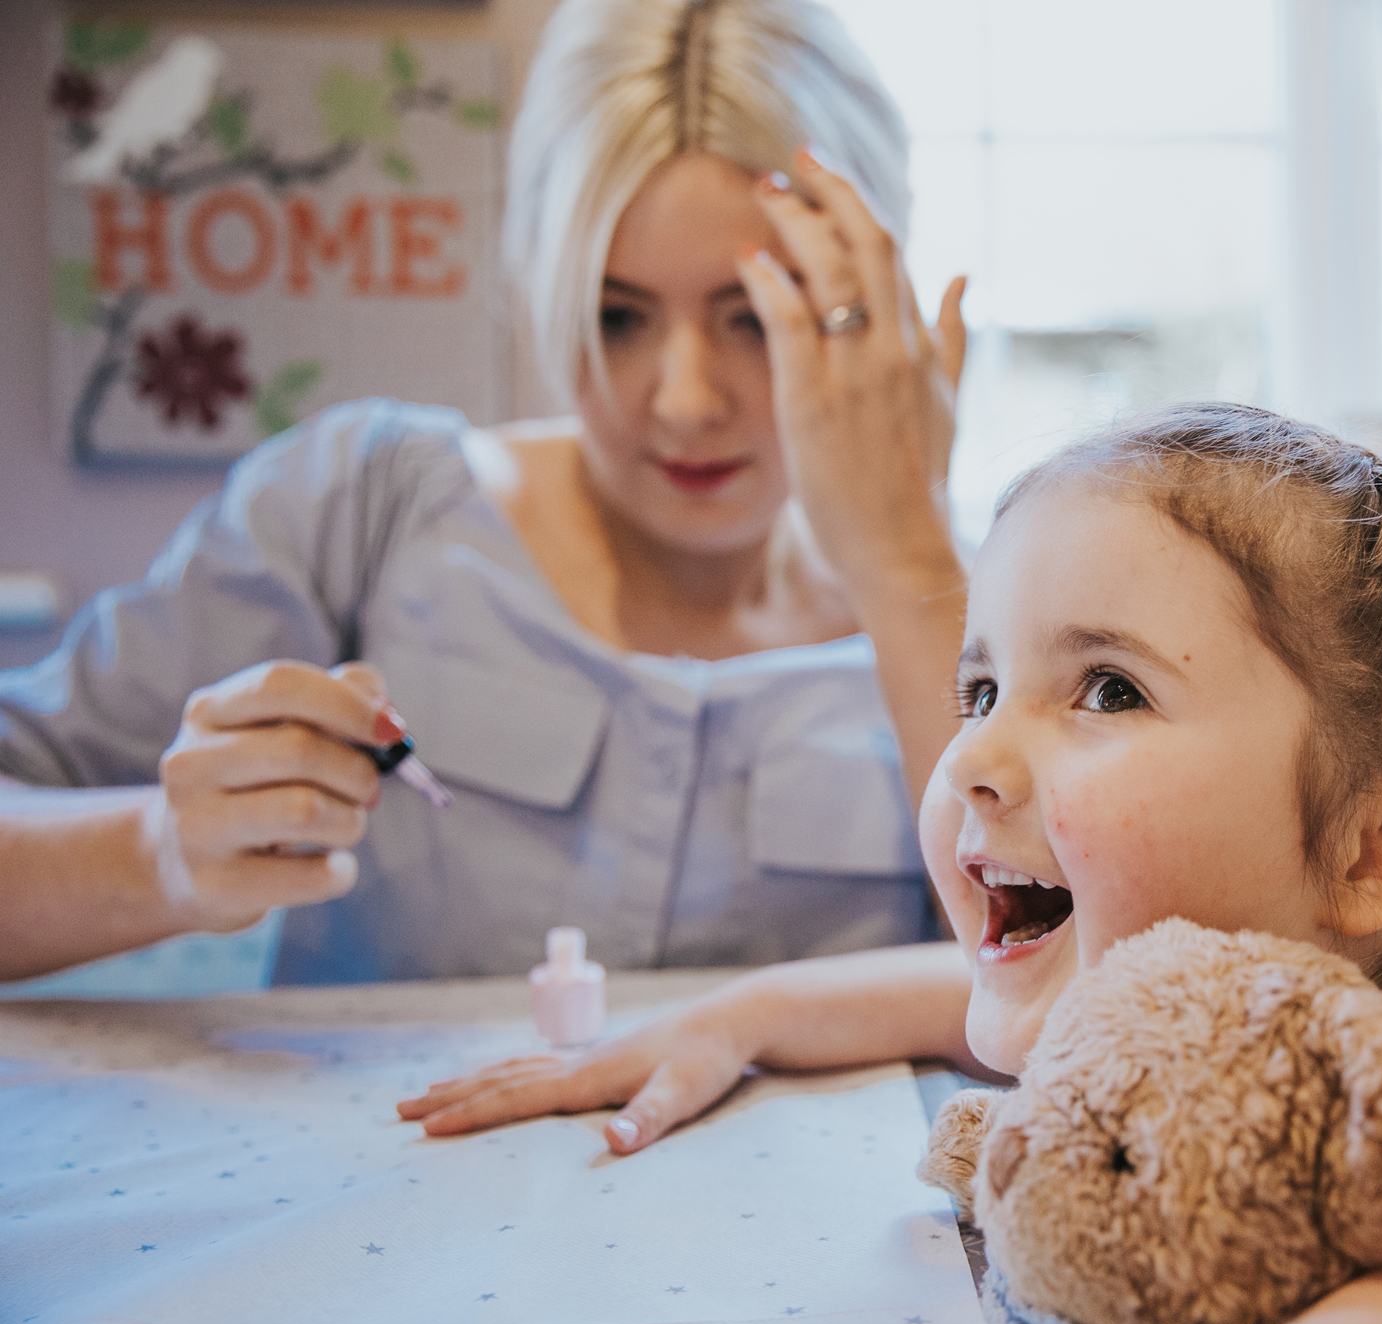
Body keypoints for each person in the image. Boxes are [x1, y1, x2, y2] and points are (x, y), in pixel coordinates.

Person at [399, 404, 1382, 1324]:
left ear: (1379, 847)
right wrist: (739, 1016)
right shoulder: (1148, 1043)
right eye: (979, 689)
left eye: (1107, 689)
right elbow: (940, 996)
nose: (971, 759)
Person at [0, 0, 971, 984]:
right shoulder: (361, 512)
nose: (685, 402)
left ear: (871, 302)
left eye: (755, 318)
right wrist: (158, 852)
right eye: (617, 316)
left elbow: (1064, 1003)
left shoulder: (994, 609)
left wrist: (903, 564)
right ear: (539, 285)